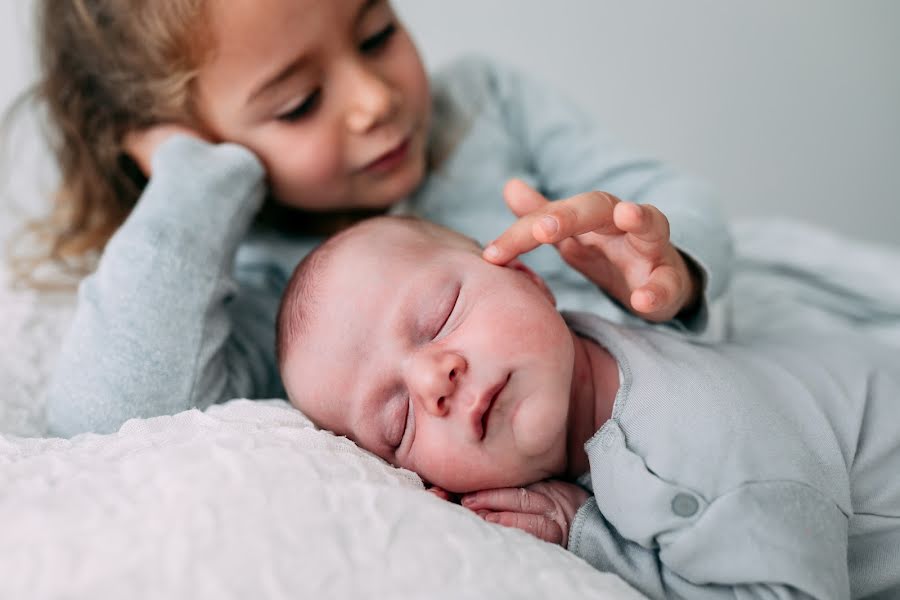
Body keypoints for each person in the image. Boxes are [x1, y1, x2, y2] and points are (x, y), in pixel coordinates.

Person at [28, 0, 732, 437]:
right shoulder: (259, 291)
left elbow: (663, 198)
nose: (373, 99)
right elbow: (105, 422)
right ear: (192, 138)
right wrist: (195, 181)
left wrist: (671, 265)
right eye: (299, 103)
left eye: (376, 34)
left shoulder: (488, 104)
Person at [276, 215, 900, 600]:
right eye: (399, 421)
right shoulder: (592, 352)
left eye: (440, 317)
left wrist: (589, 535)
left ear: (528, 277)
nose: (434, 380)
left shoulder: (694, 451)